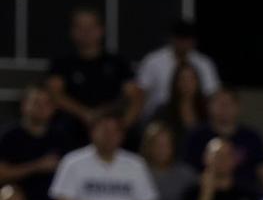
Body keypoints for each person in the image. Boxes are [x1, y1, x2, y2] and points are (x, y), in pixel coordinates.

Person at [49, 112, 157, 200]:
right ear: (92, 132)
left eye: (114, 131)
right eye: (104, 130)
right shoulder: (72, 162)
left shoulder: (136, 164)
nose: (109, 136)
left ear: (122, 135)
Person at [46, 8, 141, 145]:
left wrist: (122, 124)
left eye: (91, 27)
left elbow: (134, 95)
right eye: (81, 27)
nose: (86, 32)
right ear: (72, 32)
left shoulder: (117, 62)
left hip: (110, 121)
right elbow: (54, 93)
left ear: (101, 30)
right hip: (75, 124)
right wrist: (84, 113)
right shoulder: (61, 63)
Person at [183, 89, 263, 197]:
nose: (224, 108)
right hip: (204, 194)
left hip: (245, 196)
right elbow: (187, 171)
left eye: (228, 103)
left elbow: (262, 170)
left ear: (238, 106)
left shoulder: (252, 137)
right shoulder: (197, 136)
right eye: (219, 104)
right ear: (209, 106)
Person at [137, 20, 220, 122]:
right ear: (172, 39)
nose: (184, 43)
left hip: (195, 113)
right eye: (181, 39)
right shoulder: (153, 61)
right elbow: (140, 92)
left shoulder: (204, 63)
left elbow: (212, 93)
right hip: (160, 114)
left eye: (188, 39)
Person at [0, 84, 68, 200]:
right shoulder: (8, 136)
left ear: (54, 108)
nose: (42, 108)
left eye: (47, 103)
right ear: (24, 105)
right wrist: (37, 166)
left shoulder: (62, 138)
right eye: (36, 102)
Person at [141, 121, 197, 200]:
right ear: (148, 146)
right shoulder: (139, 172)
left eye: (166, 145)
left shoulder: (187, 175)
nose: (162, 150)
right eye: (157, 145)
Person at [152, 63, 209, 147]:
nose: (187, 84)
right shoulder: (164, 111)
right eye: (183, 79)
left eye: (191, 79)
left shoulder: (207, 110)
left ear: (198, 82)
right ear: (176, 83)